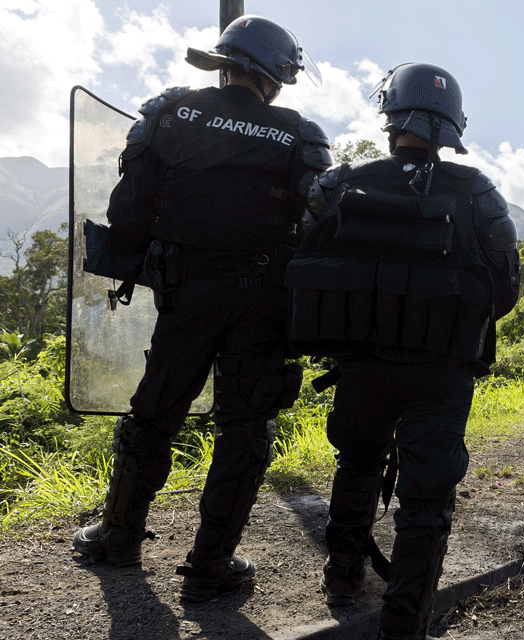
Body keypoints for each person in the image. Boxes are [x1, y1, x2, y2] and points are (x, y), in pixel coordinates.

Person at [72, 15, 330, 603]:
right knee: (245, 427)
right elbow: (318, 231)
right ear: (275, 75)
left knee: (153, 413)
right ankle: (210, 565)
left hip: (185, 295)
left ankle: (119, 538)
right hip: (262, 304)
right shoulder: (300, 135)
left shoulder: (168, 113)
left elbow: (129, 213)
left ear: (227, 61)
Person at [285, 62, 519, 640]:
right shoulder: (479, 193)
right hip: (442, 371)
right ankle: (405, 622)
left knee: (357, 461)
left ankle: (342, 575)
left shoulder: (341, 183)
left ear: (390, 116)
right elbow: (506, 288)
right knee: (427, 496)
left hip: (362, 363)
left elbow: (302, 257)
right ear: (450, 128)